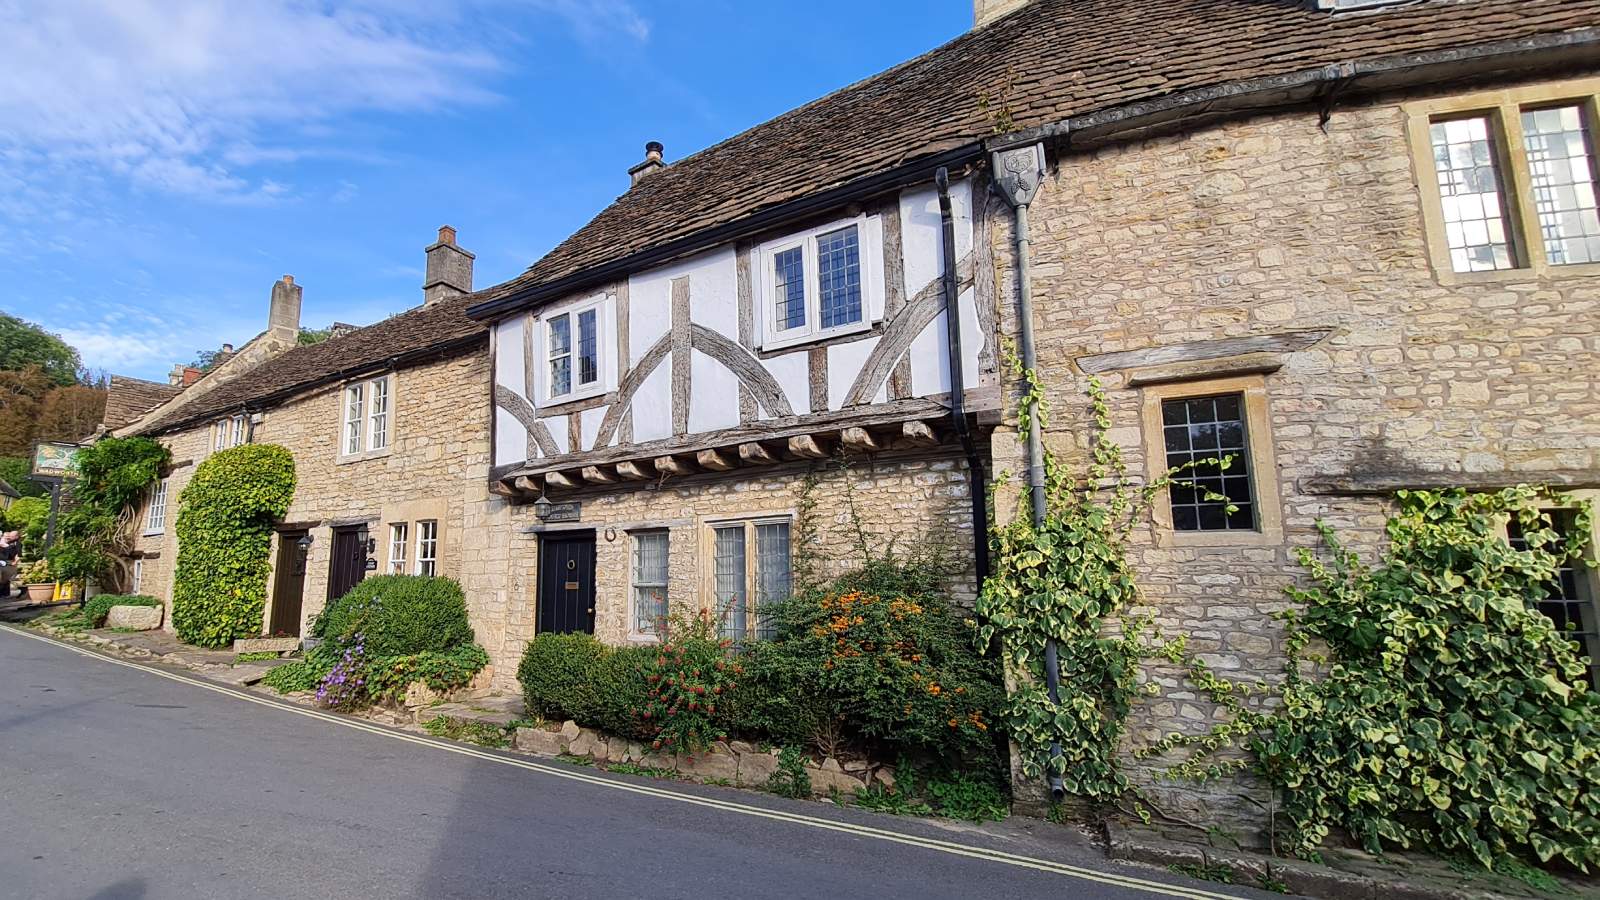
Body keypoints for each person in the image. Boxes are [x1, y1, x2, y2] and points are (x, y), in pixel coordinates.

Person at [0, 531, 20, 598]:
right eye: (5, 537)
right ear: (2, 537)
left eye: (8, 537)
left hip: (9, 563)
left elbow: (17, 554)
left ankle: (5, 594)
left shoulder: (12, 545)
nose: (7, 538)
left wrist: (15, 561)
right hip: (2, 562)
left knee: (6, 579)